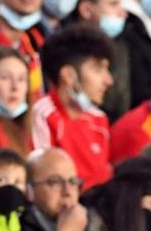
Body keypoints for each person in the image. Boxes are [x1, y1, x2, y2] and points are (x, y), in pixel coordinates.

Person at [29, 25, 119, 188]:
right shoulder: (42, 115)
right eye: (98, 69)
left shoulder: (99, 119)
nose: (108, 80)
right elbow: (46, 184)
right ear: (69, 75)